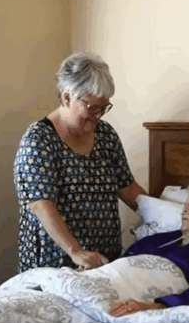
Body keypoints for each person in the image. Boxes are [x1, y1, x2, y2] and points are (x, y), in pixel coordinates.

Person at [13, 52, 146, 273]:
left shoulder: (106, 135)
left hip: (103, 264)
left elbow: (128, 188)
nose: (98, 115)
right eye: (92, 108)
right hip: (54, 265)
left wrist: (166, 215)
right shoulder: (39, 140)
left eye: (104, 108)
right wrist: (75, 251)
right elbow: (41, 205)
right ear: (67, 98)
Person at [110, 178, 189, 317]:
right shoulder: (159, 239)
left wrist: (152, 307)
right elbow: (125, 260)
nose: (185, 209)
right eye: (186, 203)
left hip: (138, 305)